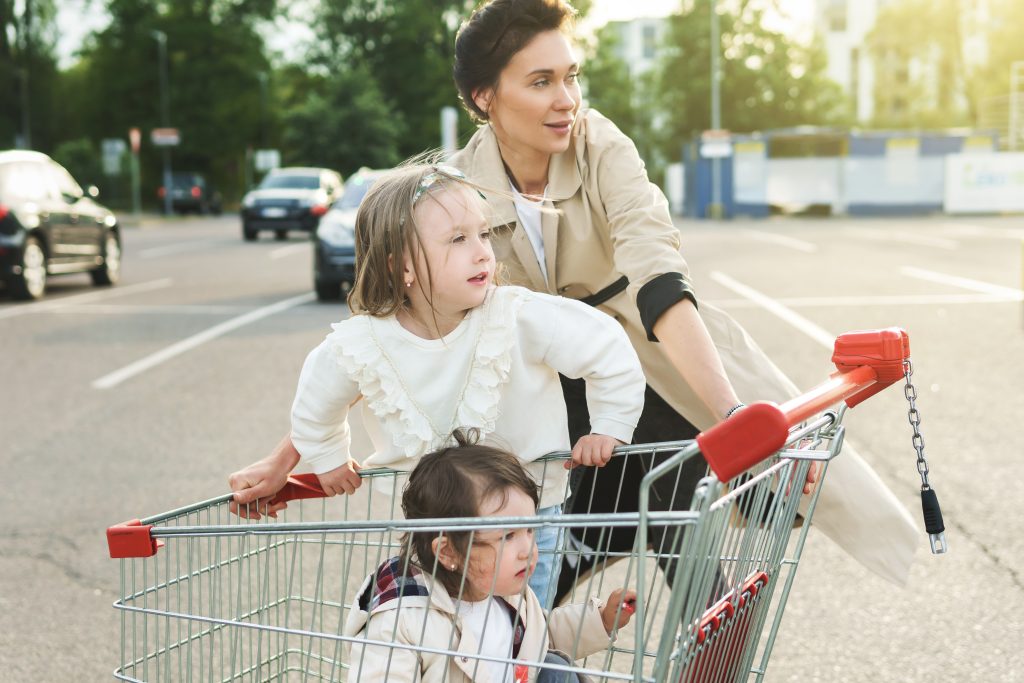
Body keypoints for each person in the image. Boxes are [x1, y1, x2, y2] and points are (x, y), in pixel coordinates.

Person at [233, 0, 918, 586]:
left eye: (571, 77)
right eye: (541, 81)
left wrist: (735, 413)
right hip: (546, 396)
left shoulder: (602, 148)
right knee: (523, 554)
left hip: (652, 359)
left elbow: (656, 274)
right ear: (484, 98)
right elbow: (390, 333)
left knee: (681, 493)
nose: (567, 100)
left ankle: (702, 627)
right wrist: (287, 456)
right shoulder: (455, 194)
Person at [237, 162, 646, 607]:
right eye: (458, 239)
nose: (483, 252)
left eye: (484, 234)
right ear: (402, 266)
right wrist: (329, 457)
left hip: (526, 522)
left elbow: (606, 348)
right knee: (442, 639)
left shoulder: (516, 317)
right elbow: (317, 400)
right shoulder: (367, 343)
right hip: (434, 534)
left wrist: (609, 425)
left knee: (520, 637)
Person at [343, 434, 636, 683]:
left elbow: (543, 634)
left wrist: (602, 620)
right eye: (508, 536)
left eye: (529, 531)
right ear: (448, 552)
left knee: (554, 670)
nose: (527, 549)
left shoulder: (505, 597)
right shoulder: (402, 621)